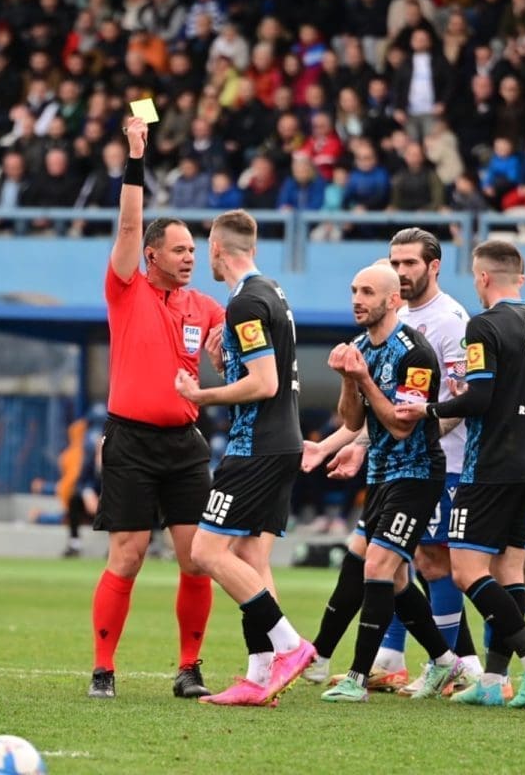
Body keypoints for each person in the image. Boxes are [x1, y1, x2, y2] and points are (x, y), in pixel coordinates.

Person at [87, 115, 224, 701]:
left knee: (197, 558)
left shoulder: (207, 306)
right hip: (131, 441)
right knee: (129, 554)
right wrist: (136, 156)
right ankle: (102, 669)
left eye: (194, 249)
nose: (189, 257)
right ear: (150, 254)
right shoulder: (127, 289)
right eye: (179, 249)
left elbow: (233, 357)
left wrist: (232, 353)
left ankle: (189, 667)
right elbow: (128, 221)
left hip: (184, 444)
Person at [394, 241, 525, 708]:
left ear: (483, 277)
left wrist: (428, 407)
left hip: (490, 465)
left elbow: (481, 398)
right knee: (509, 572)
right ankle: (492, 679)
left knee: (467, 571)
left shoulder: (483, 325)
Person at [302, 263, 460, 703]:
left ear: (393, 301)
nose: (357, 298)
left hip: (417, 474)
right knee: (383, 574)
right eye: (354, 290)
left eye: (367, 292)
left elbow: (401, 427)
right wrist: (346, 380)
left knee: (376, 566)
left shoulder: (416, 353)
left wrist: (364, 379)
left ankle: (355, 677)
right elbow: (353, 420)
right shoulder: (358, 346)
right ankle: (446, 662)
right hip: (382, 475)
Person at [175, 209, 314, 706]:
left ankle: (290, 646)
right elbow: (261, 368)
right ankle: (260, 677)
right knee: (251, 558)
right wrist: (226, 360)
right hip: (282, 442)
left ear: (217, 248)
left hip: (255, 446)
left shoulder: (246, 302)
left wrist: (201, 394)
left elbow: (265, 383)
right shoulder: (271, 292)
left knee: (205, 552)